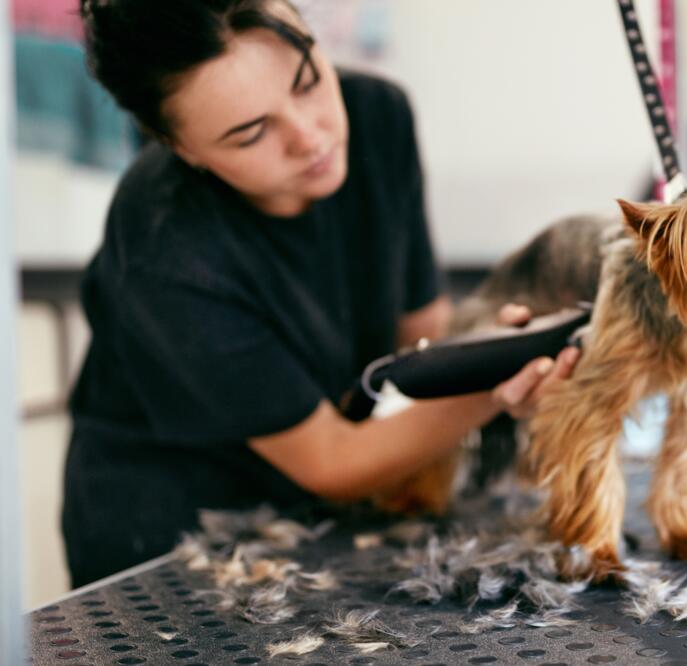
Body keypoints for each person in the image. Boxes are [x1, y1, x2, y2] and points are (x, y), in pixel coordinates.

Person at [65, 0, 579, 587]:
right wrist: (494, 388)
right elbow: (332, 459)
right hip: (169, 537)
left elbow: (421, 337)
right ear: (180, 146)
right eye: (252, 132)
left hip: (329, 516)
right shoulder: (166, 244)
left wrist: (486, 353)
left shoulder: (377, 117)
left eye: (308, 81)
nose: (310, 137)